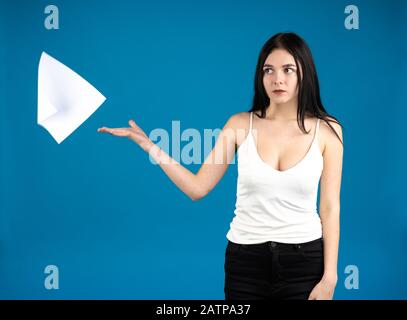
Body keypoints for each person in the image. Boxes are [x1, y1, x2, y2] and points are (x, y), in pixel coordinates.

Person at [98, 32, 344, 300]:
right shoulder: (239, 125)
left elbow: (330, 206)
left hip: (305, 262)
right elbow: (197, 188)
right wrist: (150, 147)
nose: (277, 79)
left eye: (288, 70)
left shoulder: (328, 130)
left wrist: (329, 276)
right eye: (268, 70)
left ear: (304, 74)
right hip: (246, 263)